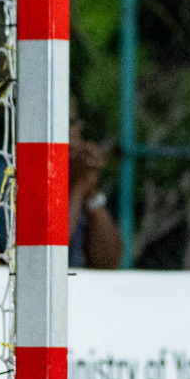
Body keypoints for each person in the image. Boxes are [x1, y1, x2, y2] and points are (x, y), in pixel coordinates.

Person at [67, 99, 123, 269]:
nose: (68, 131)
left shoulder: (77, 173)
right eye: (58, 121)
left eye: (72, 122)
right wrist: (78, 187)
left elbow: (109, 261)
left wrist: (90, 190)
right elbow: (46, 255)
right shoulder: (5, 174)